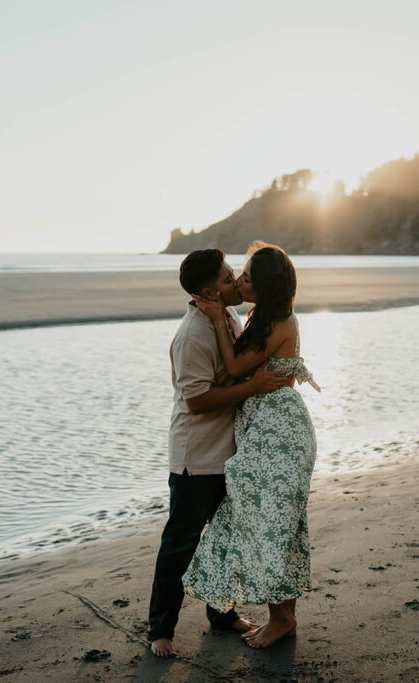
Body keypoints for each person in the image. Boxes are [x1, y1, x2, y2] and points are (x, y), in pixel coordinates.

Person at [147, 248, 291, 658]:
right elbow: (196, 401)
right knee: (180, 544)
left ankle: (222, 615)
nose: (237, 283)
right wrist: (252, 386)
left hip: (230, 453)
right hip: (197, 458)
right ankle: (161, 629)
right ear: (210, 291)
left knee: (227, 541)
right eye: (230, 279)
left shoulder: (227, 316)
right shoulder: (192, 335)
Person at [183, 241, 319, 649]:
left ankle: (282, 620)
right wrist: (226, 315)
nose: (239, 281)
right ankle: (284, 618)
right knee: (275, 524)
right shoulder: (263, 317)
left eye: (246, 277)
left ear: (266, 286)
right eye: (237, 275)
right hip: (264, 429)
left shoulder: (282, 321)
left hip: (279, 431)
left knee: (273, 525)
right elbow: (245, 366)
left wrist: (219, 313)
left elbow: (237, 367)